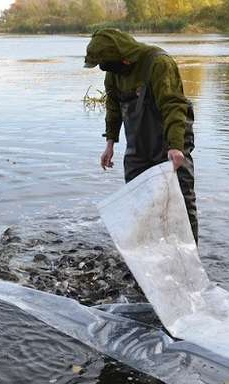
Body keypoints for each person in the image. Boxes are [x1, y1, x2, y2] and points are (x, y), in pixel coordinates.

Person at [84, 29, 198, 243]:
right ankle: (149, 256)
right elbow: (113, 107)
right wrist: (110, 143)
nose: (107, 70)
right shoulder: (113, 72)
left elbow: (173, 106)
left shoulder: (158, 63)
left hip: (171, 142)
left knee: (181, 203)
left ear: (124, 57)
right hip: (138, 147)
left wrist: (175, 146)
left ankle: (188, 257)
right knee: (139, 203)